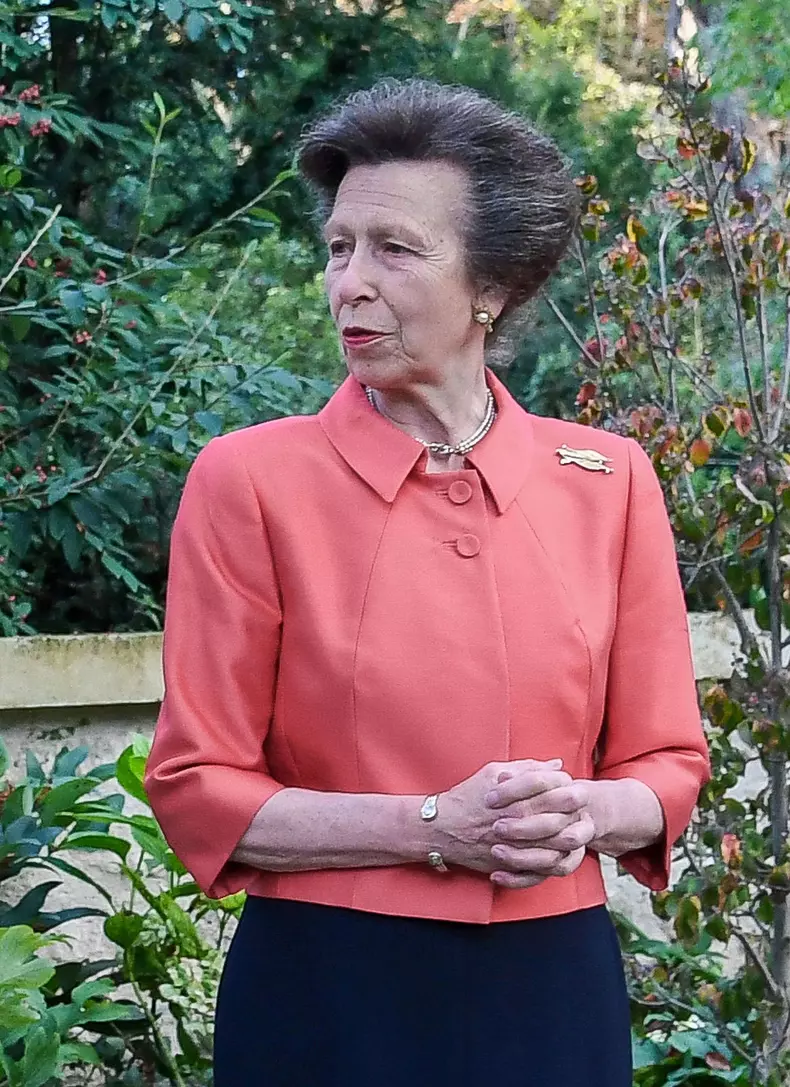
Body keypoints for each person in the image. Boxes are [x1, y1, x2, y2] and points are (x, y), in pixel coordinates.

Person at [144, 78, 711, 1087]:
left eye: (393, 250)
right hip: (327, 989)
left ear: (491, 286)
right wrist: (434, 827)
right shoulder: (250, 480)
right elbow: (200, 784)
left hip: (552, 987)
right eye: (337, 247)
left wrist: (581, 813)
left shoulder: (610, 480)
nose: (348, 282)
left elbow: (665, 766)